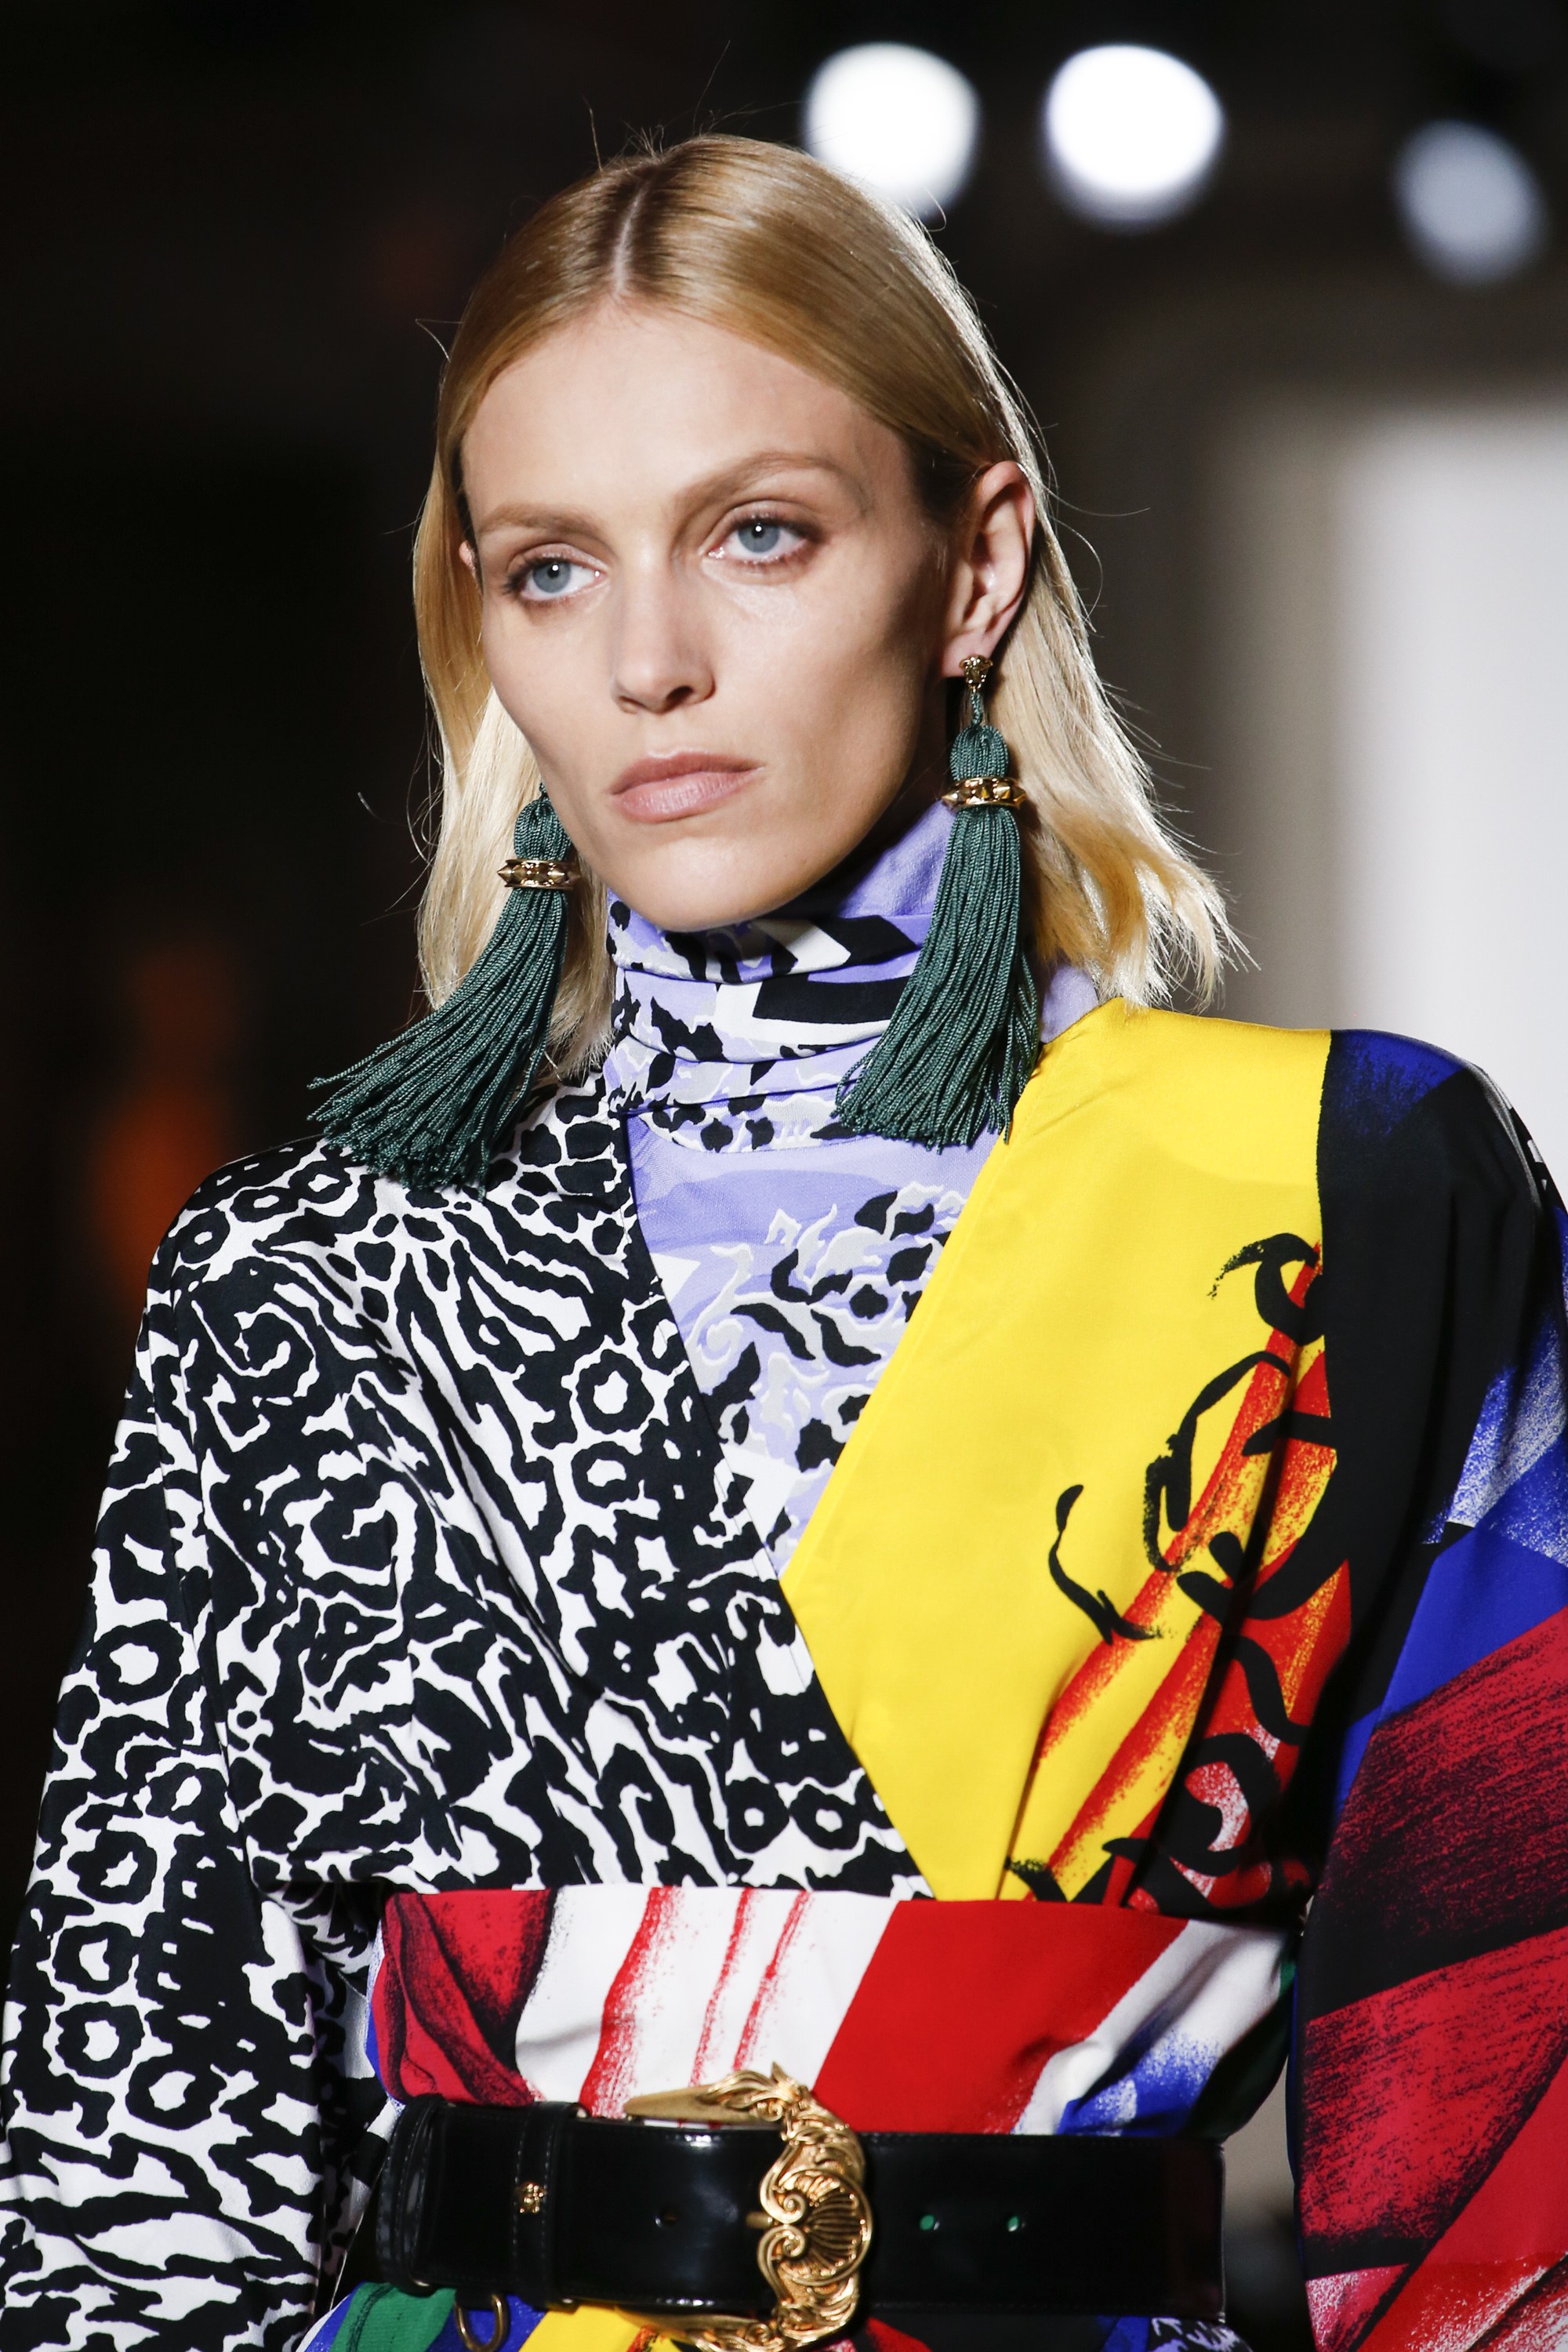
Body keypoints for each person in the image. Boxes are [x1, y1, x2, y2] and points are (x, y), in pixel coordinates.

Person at [2, 134, 1565, 2352]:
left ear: (973, 564)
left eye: (759, 533)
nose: (651, 663)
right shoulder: (313, 1270)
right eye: (552, 569)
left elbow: (1498, 2129)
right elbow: (136, 2156)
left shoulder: (1345, 1189)